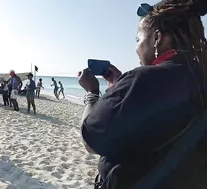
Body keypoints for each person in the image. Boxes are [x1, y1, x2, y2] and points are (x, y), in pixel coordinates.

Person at [79, 0, 207, 188]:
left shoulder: (143, 80)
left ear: (157, 38)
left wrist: (92, 92)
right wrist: (118, 86)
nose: (136, 48)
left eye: (138, 40)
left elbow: (91, 141)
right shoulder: (198, 76)